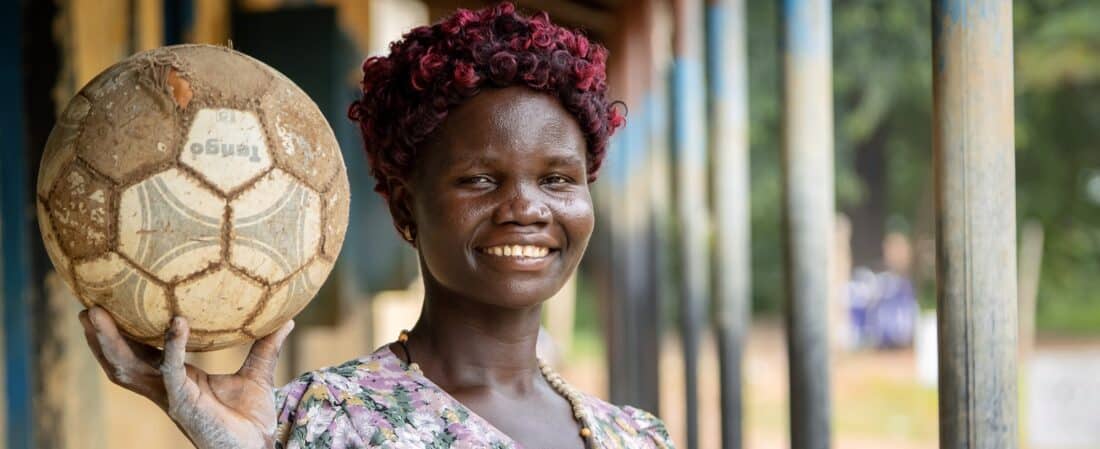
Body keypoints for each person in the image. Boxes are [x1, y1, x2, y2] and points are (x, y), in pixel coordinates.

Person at [78, 3, 675, 449]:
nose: (527, 207)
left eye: (557, 180)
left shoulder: (636, 437)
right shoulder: (320, 422)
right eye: (480, 180)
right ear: (404, 210)